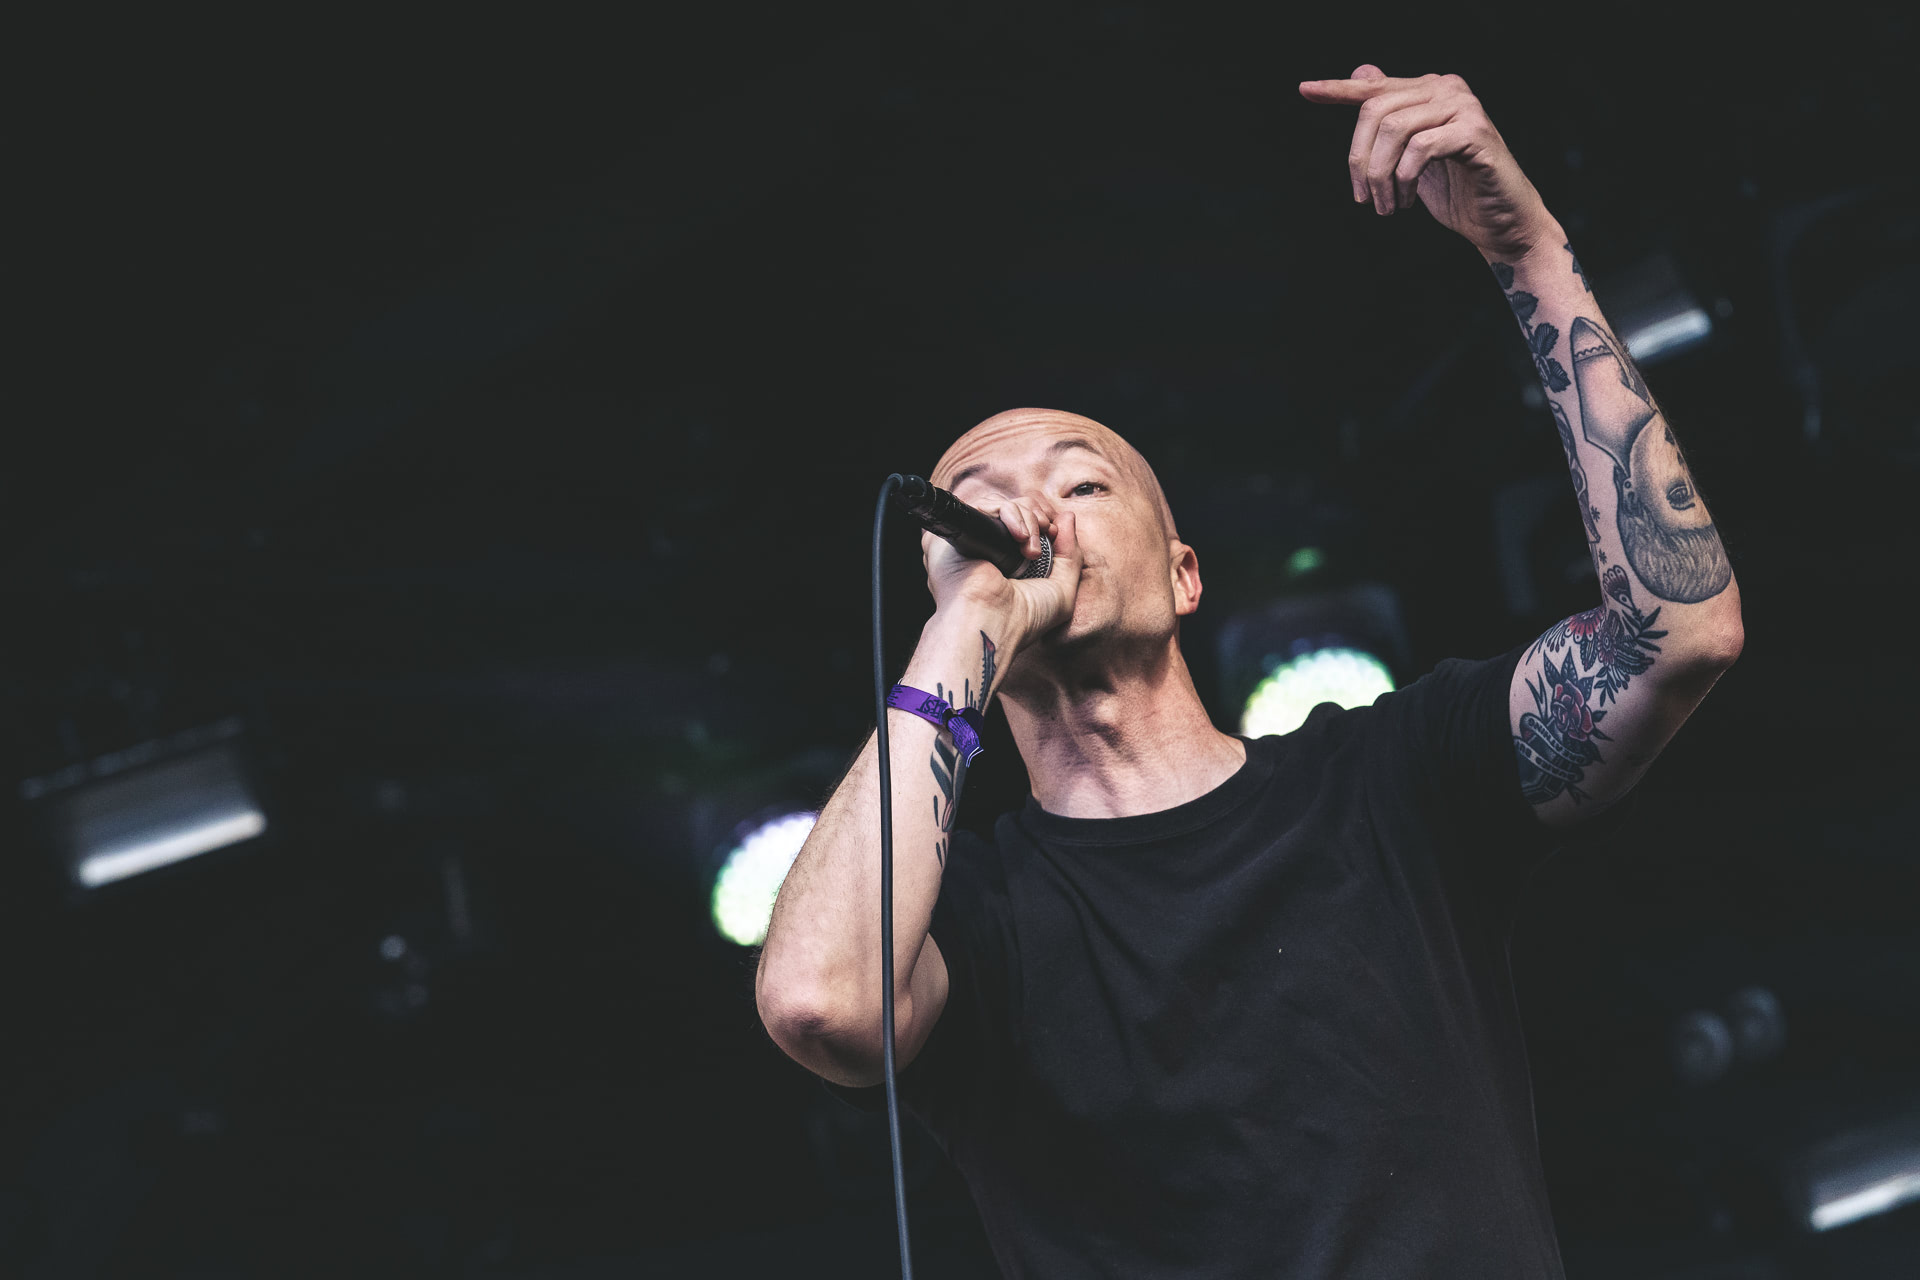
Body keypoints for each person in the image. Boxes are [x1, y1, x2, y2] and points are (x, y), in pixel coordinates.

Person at [754, 64, 1744, 1279]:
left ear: (1183, 576)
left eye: (1080, 480)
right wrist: (968, 625)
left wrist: (1526, 245)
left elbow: (1677, 633)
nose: (1030, 516)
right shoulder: (975, 921)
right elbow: (820, 1001)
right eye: (979, 505)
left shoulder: (1388, 777)